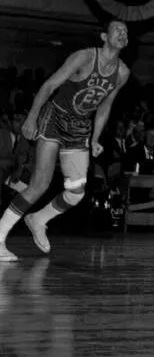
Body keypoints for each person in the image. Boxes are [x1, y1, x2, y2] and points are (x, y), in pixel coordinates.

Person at [0, 21, 130, 261]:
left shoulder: (122, 72)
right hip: (56, 117)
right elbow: (49, 85)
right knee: (40, 184)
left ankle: (38, 219)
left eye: (125, 31)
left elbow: (105, 105)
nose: (123, 33)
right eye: (117, 30)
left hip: (81, 127)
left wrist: (96, 138)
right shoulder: (83, 57)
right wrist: (31, 117)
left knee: (76, 193)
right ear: (104, 36)